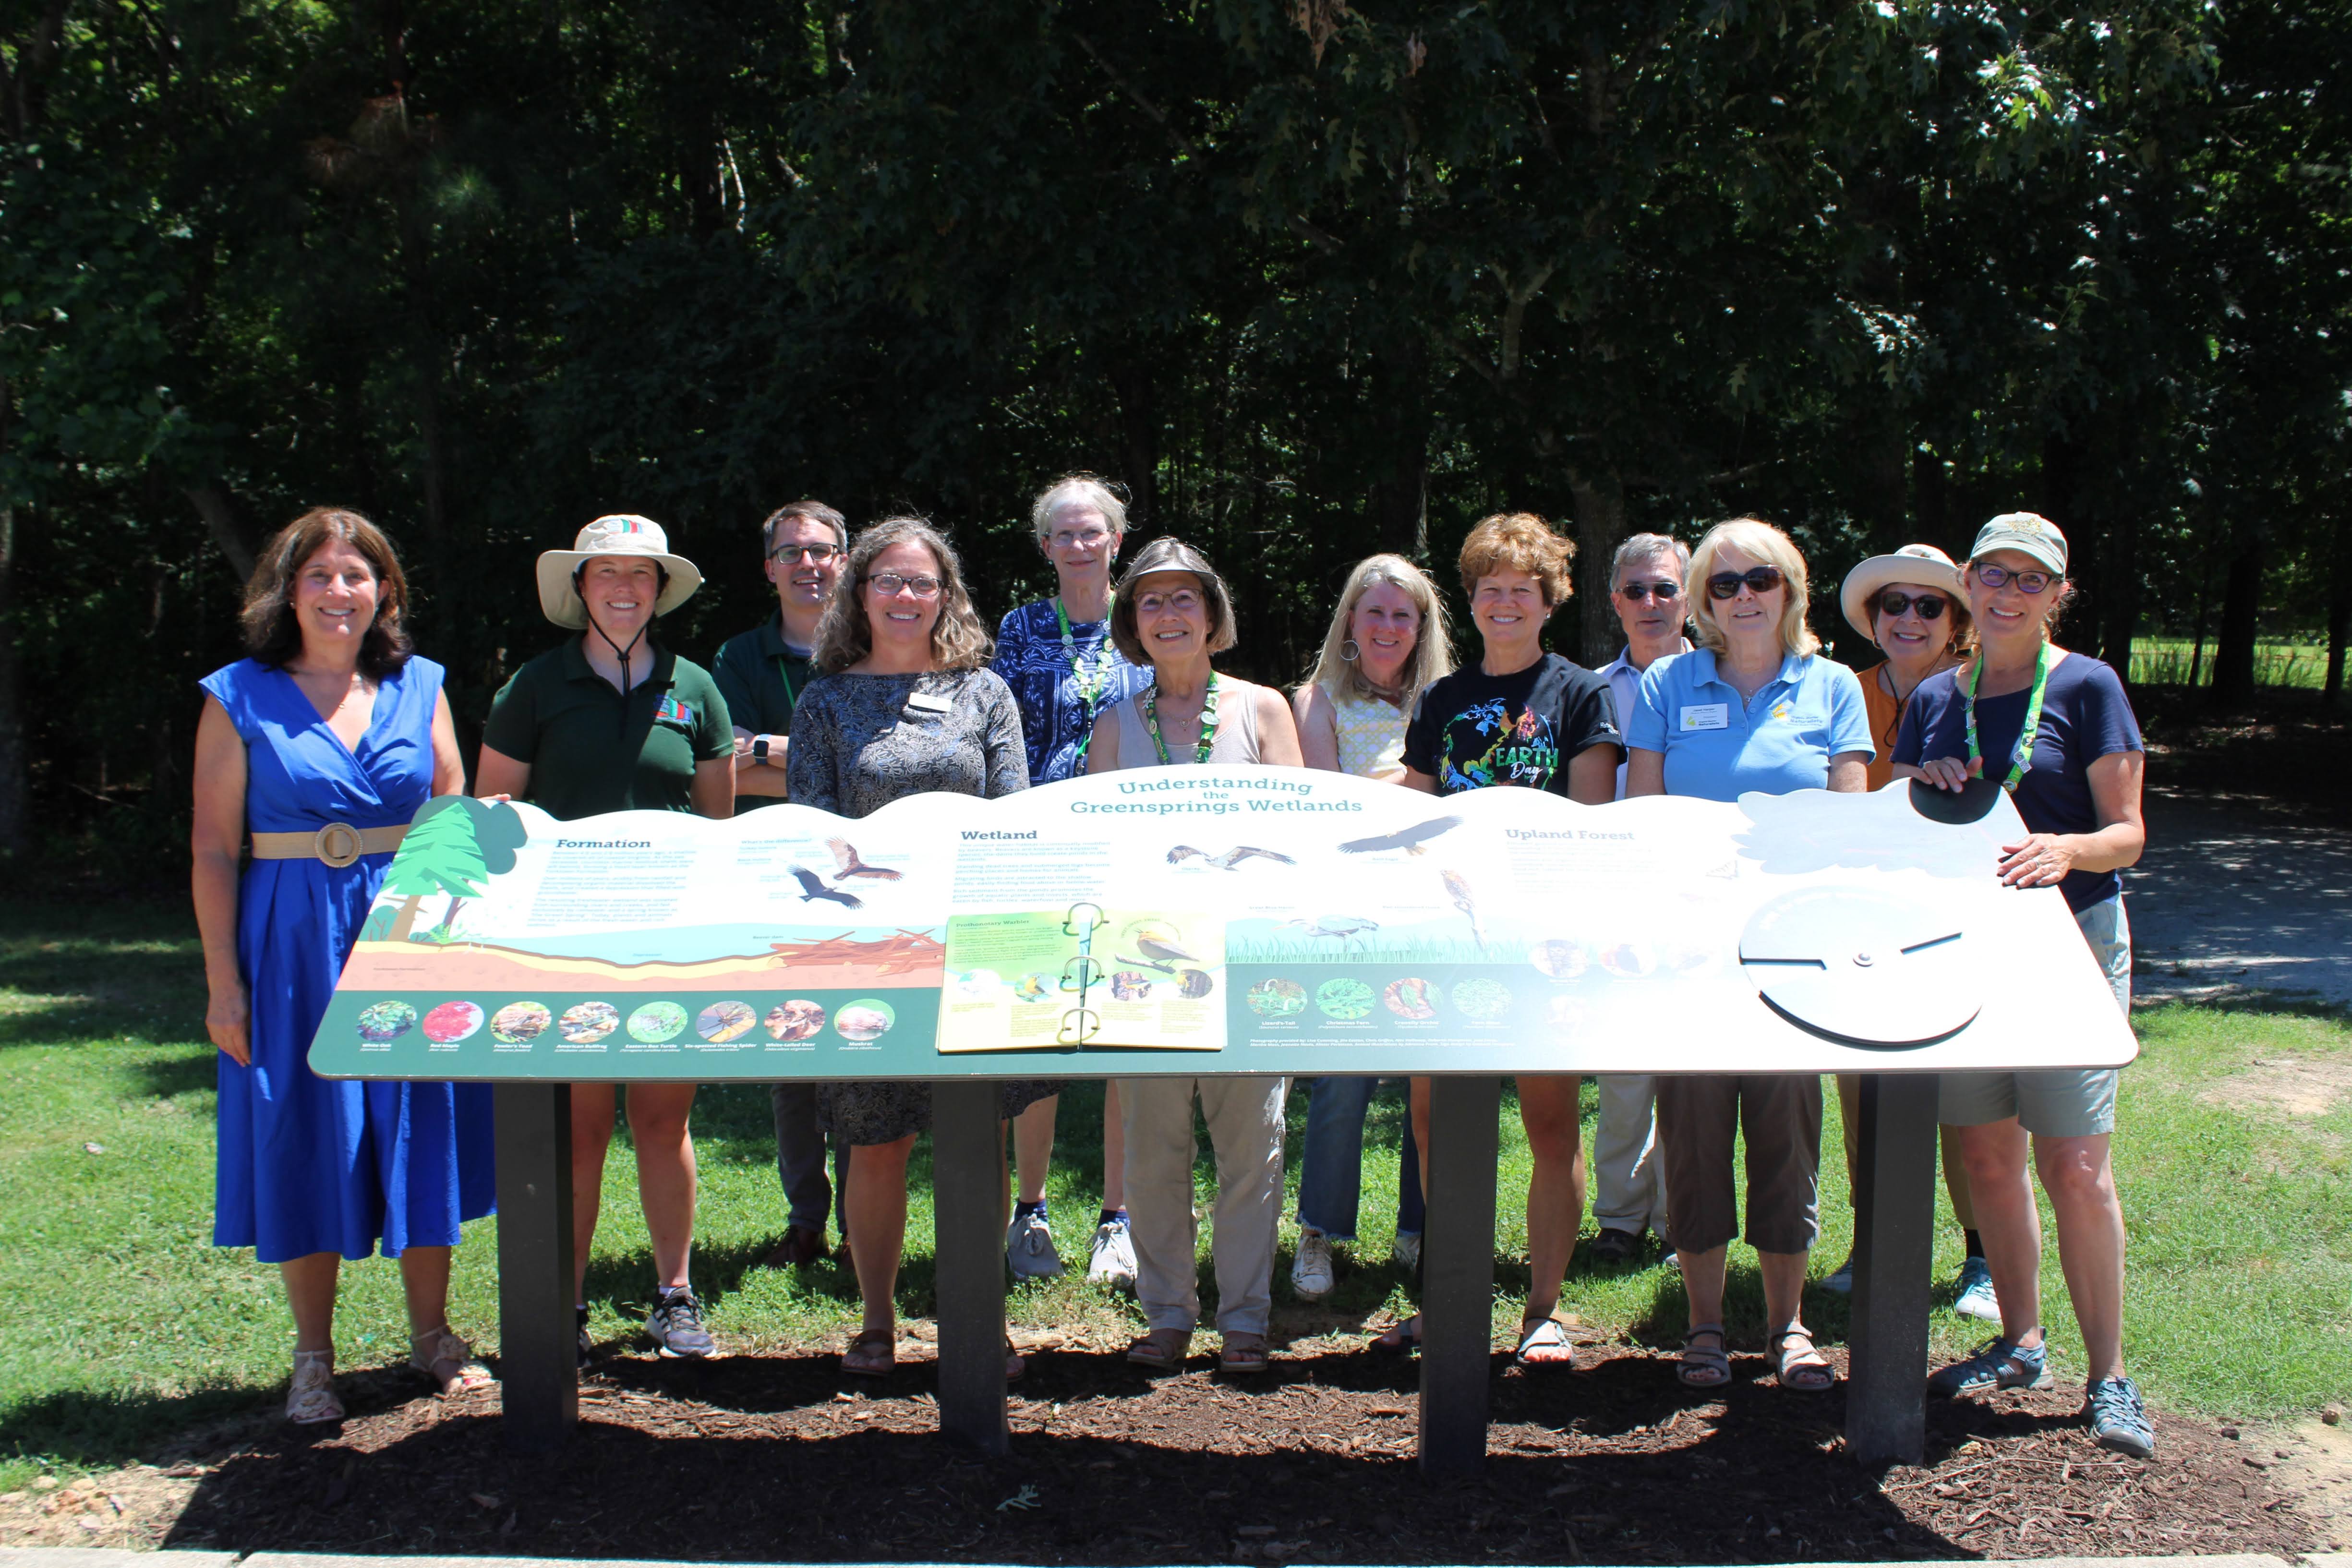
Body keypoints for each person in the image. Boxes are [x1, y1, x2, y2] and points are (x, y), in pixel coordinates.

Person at [192, 507, 495, 1424]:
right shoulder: (237, 695)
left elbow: (453, 804)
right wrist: (222, 984)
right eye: (318, 574)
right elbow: (212, 847)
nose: (337, 591)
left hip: (406, 929)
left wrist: (450, 934)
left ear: (385, 591)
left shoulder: (422, 685)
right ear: (288, 590)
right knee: (304, 1123)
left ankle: (434, 1335)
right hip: (288, 937)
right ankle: (314, 1356)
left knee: (419, 1116)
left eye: (355, 575)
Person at [1896, 512, 2153, 1459]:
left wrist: (2065, 847)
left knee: (2074, 1168)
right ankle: (2019, 1342)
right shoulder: (1933, 695)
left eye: (2030, 580)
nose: (2008, 593)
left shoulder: (2087, 687)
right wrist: (1925, 783)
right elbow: (1904, 832)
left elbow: (2124, 834)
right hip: (1961, 957)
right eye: (1993, 575)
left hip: (2067, 949)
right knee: (1988, 1163)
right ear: (1967, 581)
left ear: (2056, 594)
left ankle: (2110, 1378)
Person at [787, 516, 1053, 1379]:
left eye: (923, 582)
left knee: (977, 1139)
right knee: (875, 1142)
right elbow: (810, 835)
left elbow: (1016, 822)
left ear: (948, 595)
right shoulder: (823, 701)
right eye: (889, 581)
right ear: (858, 592)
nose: (906, 597)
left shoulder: (987, 694)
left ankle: (982, 1317)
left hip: (976, 946)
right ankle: (876, 1321)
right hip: (866, 949)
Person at [476, 515, 735, 1360]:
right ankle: (568, 1302)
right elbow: (493, 821)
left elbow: (717, 826)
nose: (623, 588)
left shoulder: (697, 688)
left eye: (640, 574)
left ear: (661, 590)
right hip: (565, 946)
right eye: (605, 573)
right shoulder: (534, 686)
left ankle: (674, 1293)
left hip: (669, 943)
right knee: (580, 1130)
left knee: (663, 1123)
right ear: (579, 588)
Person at [1625, 516, 1871, 1392]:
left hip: (1792, 953)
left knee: (1786, 1133)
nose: (1741, 597)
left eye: (1757, 579)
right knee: (1691, 1134)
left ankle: (1787, 1323)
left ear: (1791, 587)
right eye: (1721, 585)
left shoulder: (1833, 685)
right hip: (1692, 949)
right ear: (1700, 602)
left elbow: (1846, 823)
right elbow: (1644, 817)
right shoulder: (1665, 682)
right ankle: (1701, 1325)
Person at [1390, 512, 1625, 1366]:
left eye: (1520, 589)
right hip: (1448, 933)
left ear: (1549, 600)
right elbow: (1411, 813)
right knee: (1430, 1118)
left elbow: (1592, 819)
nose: (1503, 602)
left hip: (1542, 938)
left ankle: (1543, 1310)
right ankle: (1450, 1294)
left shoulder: (1581, 692)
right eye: (1489, 587)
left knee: (1550, 1121)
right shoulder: (1443, 699)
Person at [1088, 537, 1305, 1373]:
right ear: (1132, 625)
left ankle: (1246, 1316)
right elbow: (1101, 849)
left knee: (1252, 1144)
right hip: (1145, 968)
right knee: (1152, 1150)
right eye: (1151, 601)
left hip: (1245, 959)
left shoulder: (1262, 710)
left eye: (1185, 600)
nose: (1168, 615)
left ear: (1213, 617)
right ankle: (1169, 1311)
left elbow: (1295, 834)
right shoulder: (1115, 725)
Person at [989, 476, 1156, 1289]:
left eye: (1094, 532)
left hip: (1132, 847)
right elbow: (1000, 728)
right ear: (1046, 546)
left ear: (1116, 540)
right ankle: (1032, 1212)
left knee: (1123, 1023)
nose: (1081, 545)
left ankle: (1117, 1220)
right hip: (1040, 848)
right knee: (1038, 1025)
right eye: (1065, 534)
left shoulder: (1148, 619)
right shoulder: (1020, 627)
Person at [1822, 543, 1994, 1317]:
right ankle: (1873, 1242)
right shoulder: (1844, 691)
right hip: (1855, 916)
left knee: (1963, 1091)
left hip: (1955, 918)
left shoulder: (1985, 691)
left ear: (1958, 619)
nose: (1910, 618)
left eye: (1930, 605)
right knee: (1861, 1089)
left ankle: (1981, 1254)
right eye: (1895, 604)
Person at [1285, 553, 1455, 1300]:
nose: (1388, 627)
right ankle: (1319, 1230)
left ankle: (1420, 1229)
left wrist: (1389, 790)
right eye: (1375, 611)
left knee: (1430, 1076)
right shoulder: (1317, 700)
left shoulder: (1447, 700)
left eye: (1403, 615)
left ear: (1422, 627)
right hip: (1348, 910)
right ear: (1350, 620)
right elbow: (1329, 809)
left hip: (1432, 907)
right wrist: (1402, 788)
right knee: (1343, 1073)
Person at [712, 500, 856, 1272]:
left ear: (845, 559)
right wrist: (811, 756)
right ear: (770, 567)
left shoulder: (874, 644)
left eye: (823, 550)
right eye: (792, 552)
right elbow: (724, 765)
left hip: (866, 874)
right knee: (792, 1045)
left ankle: (869, 1213)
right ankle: (807, 1216)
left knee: (870, 1040)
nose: (809, 564)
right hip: (776, 875)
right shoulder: (737, 658)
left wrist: (770, 749)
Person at [1587, 532, 1692, 1265]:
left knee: (1690, 1066)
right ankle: (1621, 1216)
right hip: (1614, 892)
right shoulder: (1592, 687)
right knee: (1624, 1063)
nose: (1650, 603)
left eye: (1665, 589)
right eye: (1635, 591)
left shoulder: (1723, 678)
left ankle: (1681, 1209)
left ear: (1687, 595)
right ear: (1614, 600)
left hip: (1699, 895)